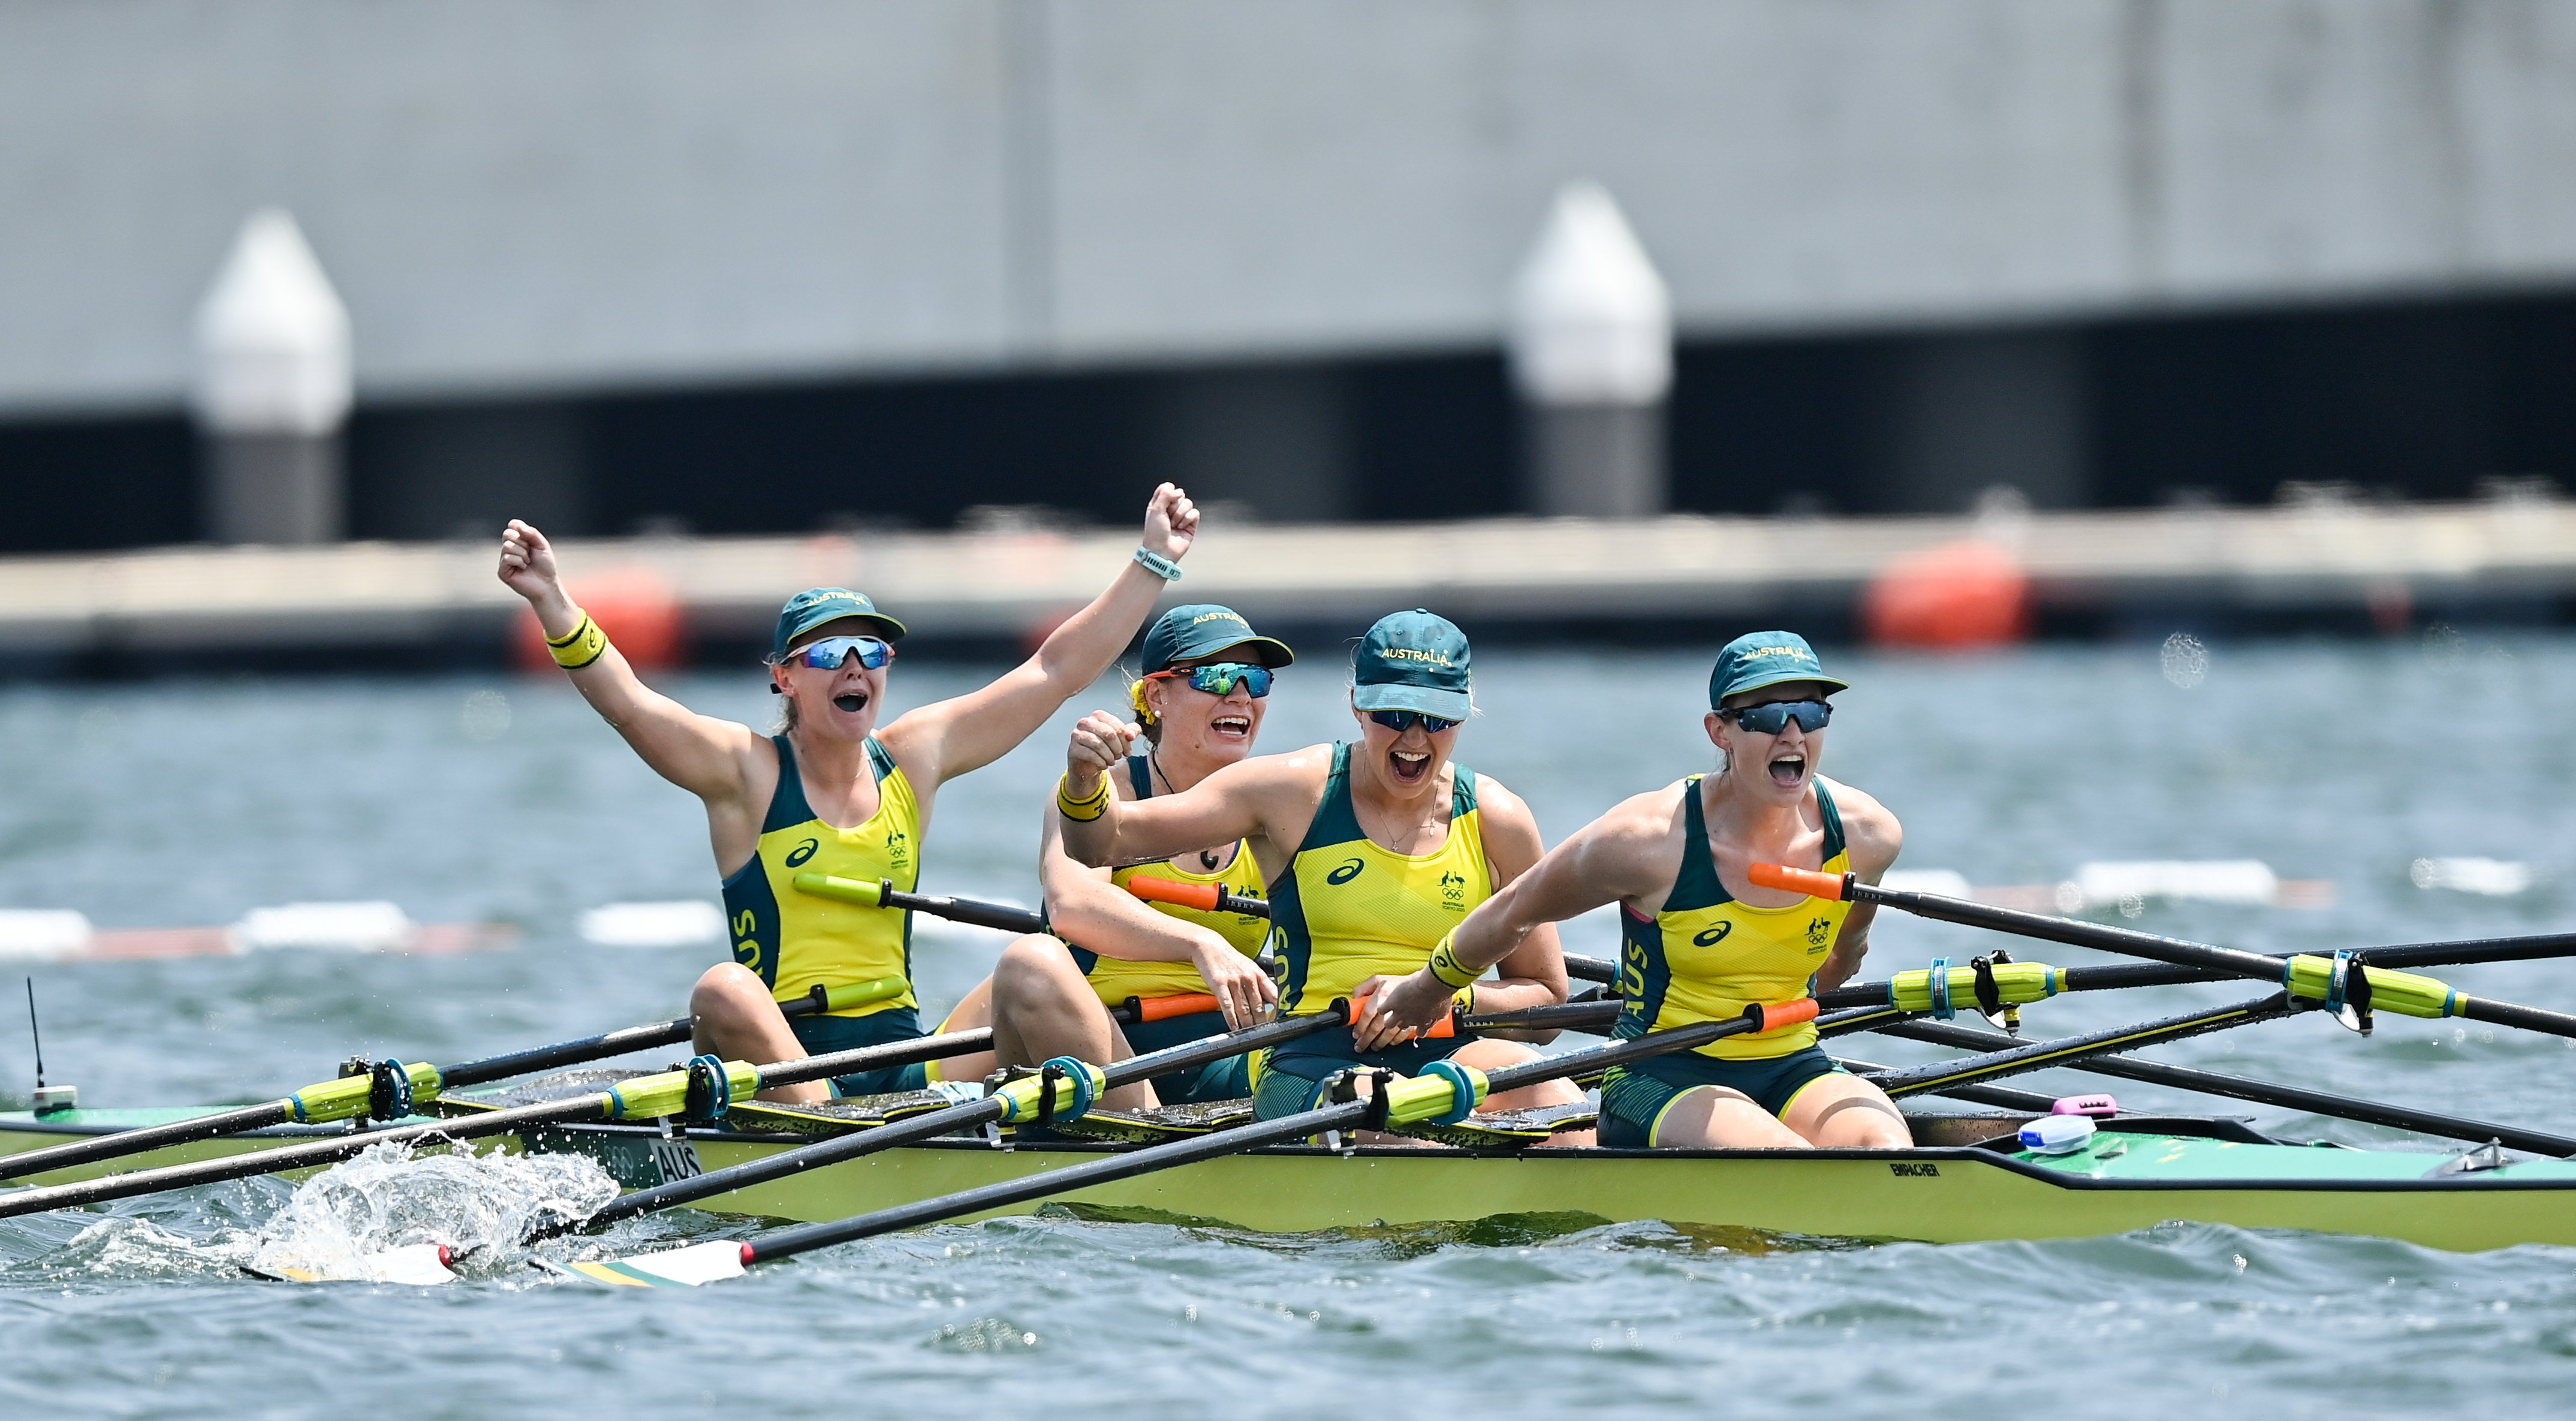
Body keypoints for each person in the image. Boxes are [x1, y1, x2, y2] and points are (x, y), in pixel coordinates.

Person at [495, 484, 1201, 1103]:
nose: (856, 667)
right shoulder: (745, 773)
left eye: (873, 653)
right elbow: (629, 704)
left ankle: (1144, 1134)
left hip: (910, 1061)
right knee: (722, 988)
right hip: (788, 1058)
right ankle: (826, 1137)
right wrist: (552, 601)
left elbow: (1053, 670)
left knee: (1037, 963)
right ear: (785, 678)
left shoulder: (912, 757)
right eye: (831, 654)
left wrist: (1153, 563)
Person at [1361, 631, 1909, 1149]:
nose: (1791, 734)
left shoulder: (1867, 836)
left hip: (1793, 1061)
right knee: (1785, 1158)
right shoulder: (1646, 841)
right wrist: (1431, 986)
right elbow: (1513, 910)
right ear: (1720, 732)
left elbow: (1842, 960)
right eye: (1765, 716)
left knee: (1887, 1147)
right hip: (1661, 1072)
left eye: (1810, 713)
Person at [1054, 609, 1583, 1134]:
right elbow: (1099, 843)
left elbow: (1544, 997)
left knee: (1562, 1101)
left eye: (1437, 719)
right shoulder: (1293, 791)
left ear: (1464, 715)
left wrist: (1444, 990)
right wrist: (1083, 779)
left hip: (1455, 1050)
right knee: (1388, 1110)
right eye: (1394, 716)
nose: (1415, 739)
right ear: (1358, 706)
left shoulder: (1499, 818)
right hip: (1313, 1061)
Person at [953, 604, 1294, 1113]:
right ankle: (1148, 1132)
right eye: (1218, 676)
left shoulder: (1272, 806)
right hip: (1105, 1050)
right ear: (1156, 696)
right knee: (1031, 962)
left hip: (1226, 1057)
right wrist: (1200, 941)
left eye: (1255, 679)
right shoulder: (1101, 793)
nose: (1240, 695)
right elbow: (1073, 904)